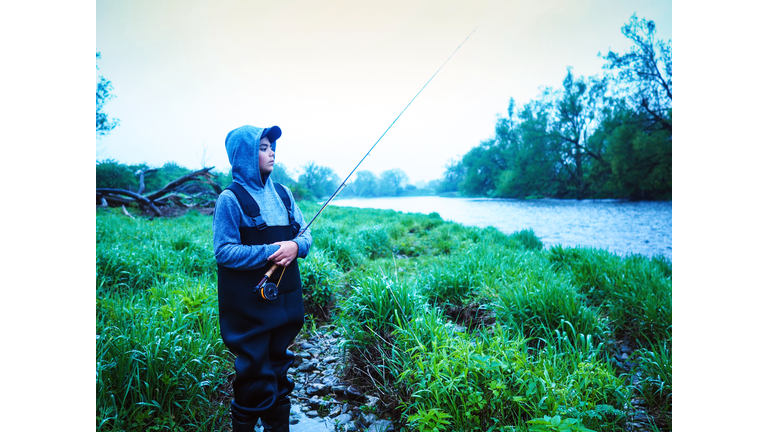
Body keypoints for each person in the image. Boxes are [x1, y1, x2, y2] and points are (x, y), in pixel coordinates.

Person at [213, 125, 312, 431]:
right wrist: (271, 251)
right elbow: (224, 252)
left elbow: (306, 234)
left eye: (273, 147)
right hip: (248, 312)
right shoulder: (230, 200)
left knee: (280, 369)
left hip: (285, 305)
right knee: (254, 375)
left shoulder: (284, 194)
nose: (272, 152)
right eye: (264, 146)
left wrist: (296, 246)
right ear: (245, 154)